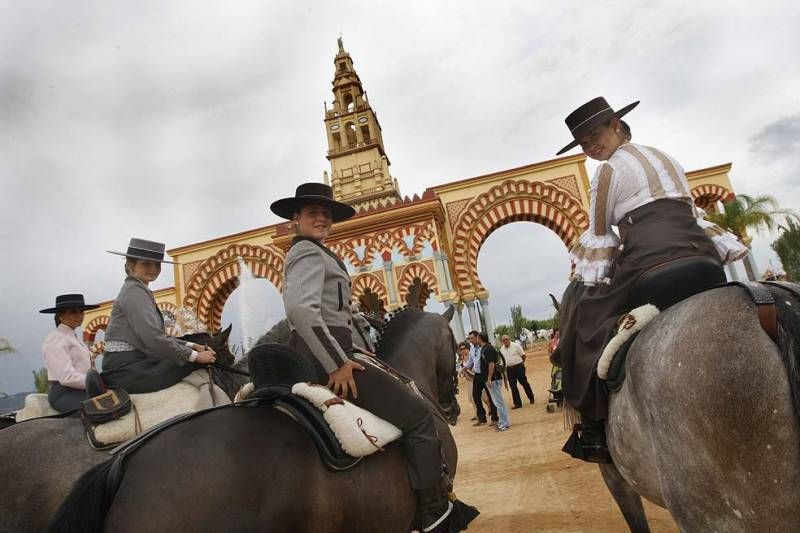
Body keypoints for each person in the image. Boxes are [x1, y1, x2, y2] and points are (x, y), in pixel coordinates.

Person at [552, 97, 748, 462]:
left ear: (615, 125)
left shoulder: (607, 172)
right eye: (583, 144)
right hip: (705, 260)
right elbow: (691, 210)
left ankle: (594, 430)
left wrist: (592, 280)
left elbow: (600, 234)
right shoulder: (666, 157)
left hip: (652, 265)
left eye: (594, 136)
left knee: (586, 320)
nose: (591, 147)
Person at [270, 183, 473, 533]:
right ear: (295, 219)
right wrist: (338, 362)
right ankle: (435, 514)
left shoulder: (314, 250)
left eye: (325, 213)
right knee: (420, 418)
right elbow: (302, 311)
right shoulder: (307, 252)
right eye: (312, 212)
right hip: (327, 358)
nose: (321, 218)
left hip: (323, 352)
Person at [101, 238, 217, 394]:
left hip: (133, 363)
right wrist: (196, 356)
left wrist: (191, 345)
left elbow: (156, 336)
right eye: (146, 264)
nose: (153, 269)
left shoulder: (137, 288)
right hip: (126, 369)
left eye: (157, 264)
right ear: (131, 264)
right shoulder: (134, 291)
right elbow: (153, 338)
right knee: (192, 363)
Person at [38, 294, 100, 411]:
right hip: (65, 393)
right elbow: (66, 377)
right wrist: (96, 382)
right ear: (60, 315)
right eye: (73, 312)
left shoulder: (73, 338)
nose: (80, 315)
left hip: (82, 389)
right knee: (98, 411)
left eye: (81, 311)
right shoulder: (56, 339)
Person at [476, 332, 510, 431]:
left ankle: (505, 423)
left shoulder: (488, 349)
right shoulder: (485, 349)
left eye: (477, 338)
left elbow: (491, 364)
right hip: (491, 379)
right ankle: (503, 421)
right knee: (496, 402)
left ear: (480, 338)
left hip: (494, 379)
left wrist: (489, 378)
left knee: (499, 402)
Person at [463, 330, 499, 426]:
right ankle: (482, 418)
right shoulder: (472, 349)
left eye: (472, 338)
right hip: (477, 375)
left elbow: (490, 362)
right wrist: (464, 368)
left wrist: (489, 377)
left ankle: (495, 418)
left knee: (491, 396)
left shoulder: (484, 348)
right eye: (469, 338)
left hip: (486, 374)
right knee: (475, 396)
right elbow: (471, 361)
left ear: (477, 337)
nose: (470, 340)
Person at [500, 335, 534, 408]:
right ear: (502, 342)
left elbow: (523, 356)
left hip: (518, 367)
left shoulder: (516, 346)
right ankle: (517, 403)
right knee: (513, 386)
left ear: (509, 339)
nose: (505, 341)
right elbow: (502, 360)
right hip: (509, 369)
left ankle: (531, 397)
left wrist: (520, 364)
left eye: (506, 339)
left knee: (524, 383)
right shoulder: (502, 349)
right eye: (503, 340)